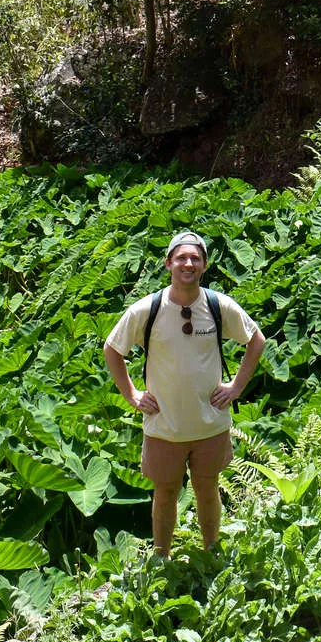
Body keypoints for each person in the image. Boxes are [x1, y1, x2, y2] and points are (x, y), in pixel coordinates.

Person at [103, 230, 266, 557]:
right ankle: (161, 559)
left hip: (209, 424)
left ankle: (211, 554)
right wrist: (132, 395)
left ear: (204, 264)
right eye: (181, 258)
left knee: (208, 491)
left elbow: (256, 340)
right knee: (164, 493)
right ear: (168, 264)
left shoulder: (219, 306)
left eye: (195, 258)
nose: (188, 263)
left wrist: (235, 388)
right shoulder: (147, 309)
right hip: (164, 425)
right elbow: (112, 348)